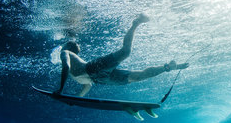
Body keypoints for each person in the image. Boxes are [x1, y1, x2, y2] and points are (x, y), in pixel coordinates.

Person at [55, 13, 188, 97]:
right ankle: (167, 67)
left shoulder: (65, 52)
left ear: (68, 47)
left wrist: (60, 89)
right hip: (98, 79)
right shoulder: (73, 62)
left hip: (93, 69)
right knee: (137, 77)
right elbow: (88, 85)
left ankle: (136, 23)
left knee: (126, 52)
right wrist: (78, 99)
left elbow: (65, 67)